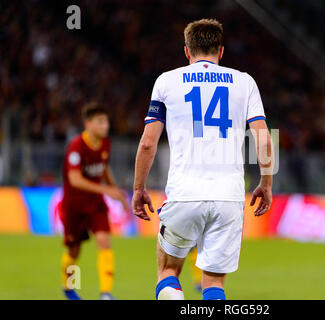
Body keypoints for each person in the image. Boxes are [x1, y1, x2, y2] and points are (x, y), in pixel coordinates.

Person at [132, 19, 273, 300]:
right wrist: (266, 184)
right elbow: (265, 139)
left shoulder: (166, 81)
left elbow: (148, 143)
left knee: (168, 270)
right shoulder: (245, 82)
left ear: (187, 51)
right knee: (214, 283)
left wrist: (139, 188)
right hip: (228, 197)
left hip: (185, 193)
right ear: (221, 51)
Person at [60, 102, 129, 300]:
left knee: (104, 242)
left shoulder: (105, 143)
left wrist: (115, 190)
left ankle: (106, 294)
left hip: (96, 204)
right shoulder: (76, 146)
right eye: (100, 121)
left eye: (106, 121)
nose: (105, 125)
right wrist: (106, 189)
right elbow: (75, 180)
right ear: (88, 123)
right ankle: (69, 288)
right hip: (74, 206)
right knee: (74, 251)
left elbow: (104, 168)